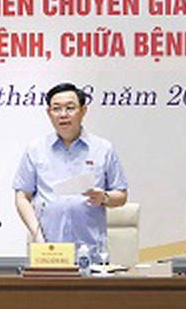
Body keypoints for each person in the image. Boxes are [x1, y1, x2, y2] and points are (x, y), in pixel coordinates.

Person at [13, 82, 128, 254]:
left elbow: (122, 195)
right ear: (49, 113)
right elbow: (22, 196)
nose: (63, 115)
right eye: (56, 109)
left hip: (90, 251)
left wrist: (104, 197)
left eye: (70, 108)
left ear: (83, 110)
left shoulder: (103, 148)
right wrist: (37, 236)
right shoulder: (35, 149)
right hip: (48, 250)